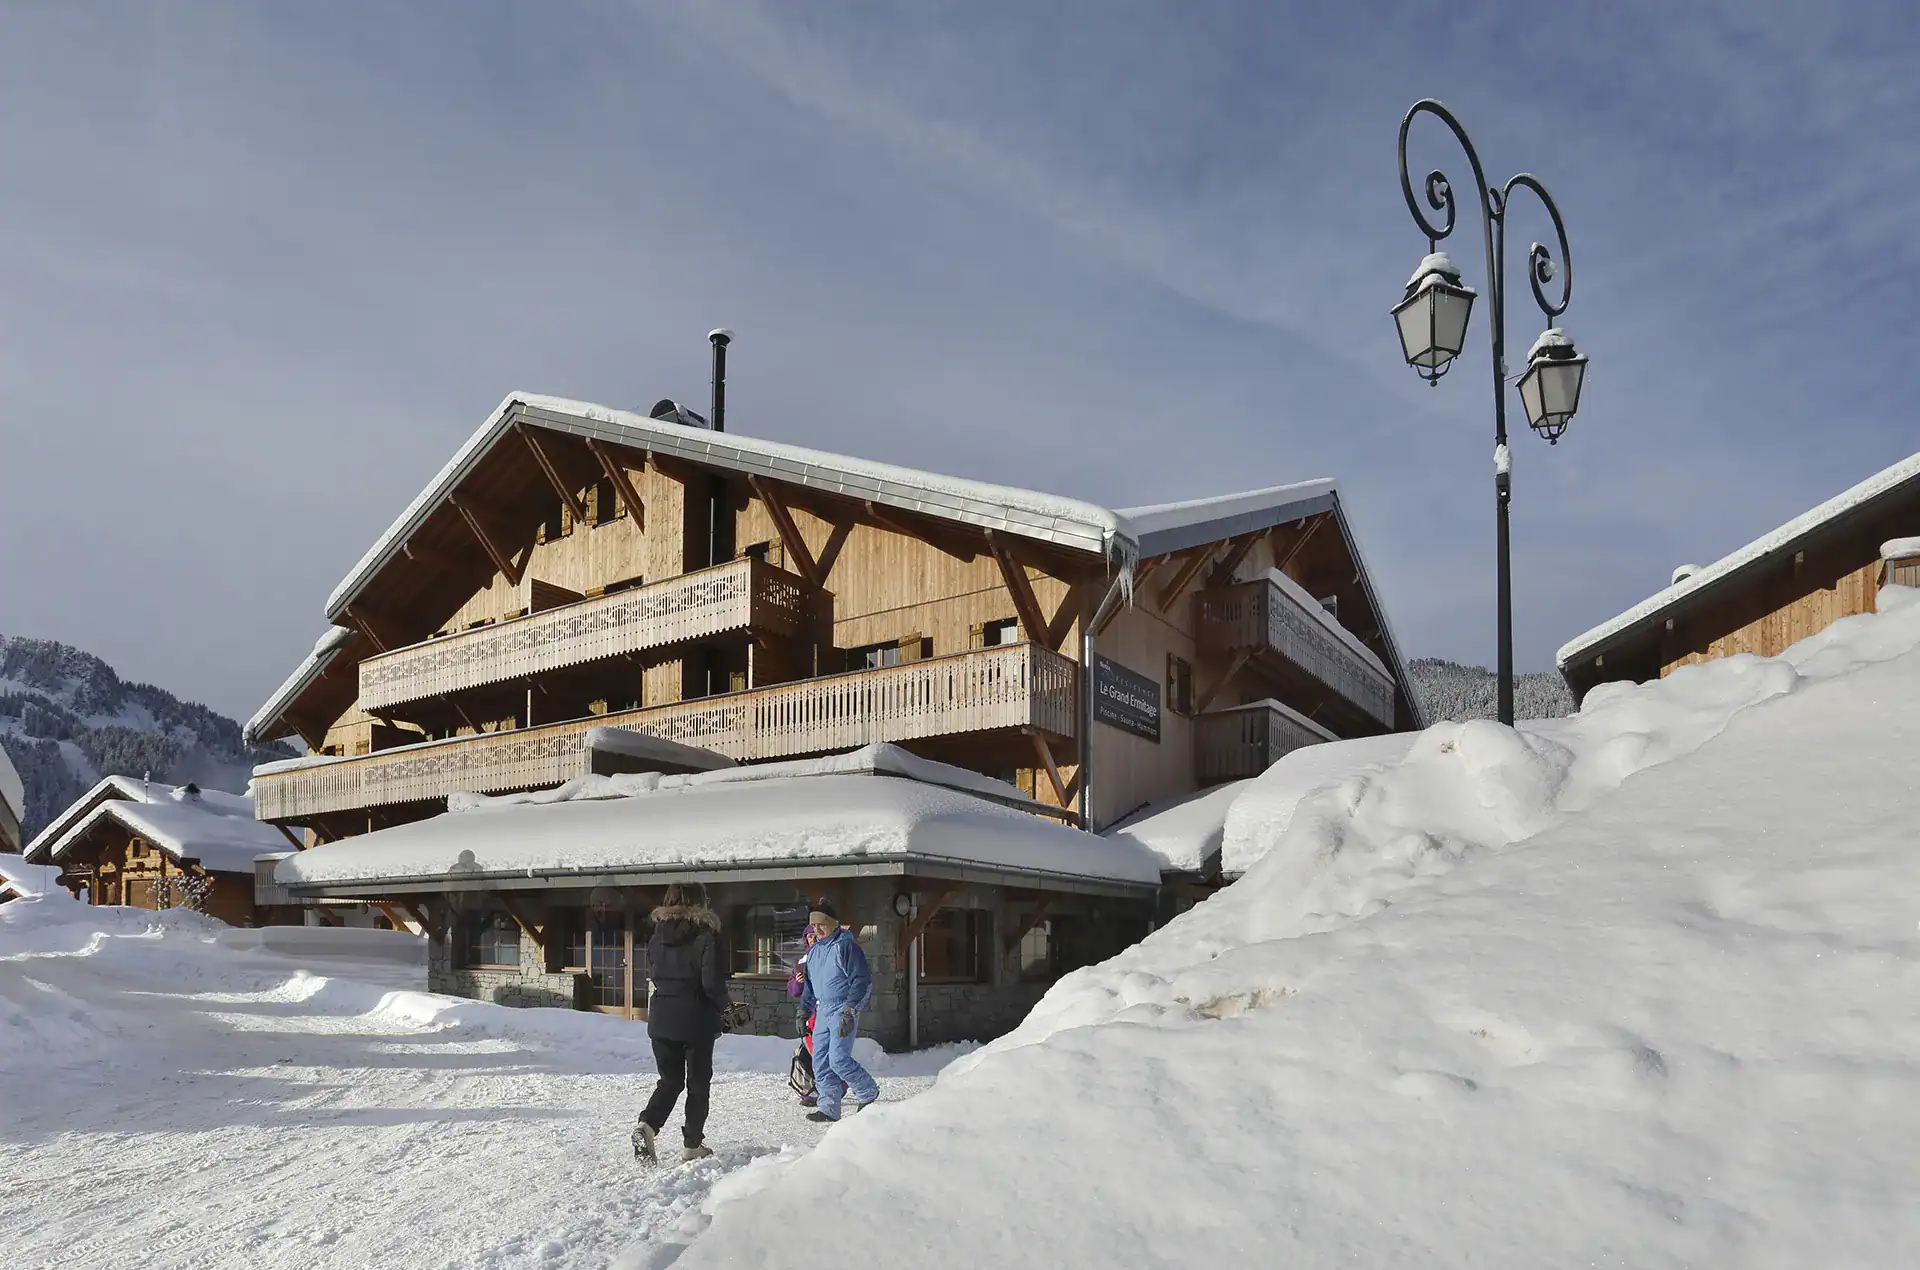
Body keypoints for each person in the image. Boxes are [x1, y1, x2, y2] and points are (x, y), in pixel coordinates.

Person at [632, 882, 729, 1164]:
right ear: (700, 902)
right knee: (698, 1084)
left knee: (670, 1081)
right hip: (696, 1020)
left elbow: (654, 973)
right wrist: (728, 1007)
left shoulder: (656, 936)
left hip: (661, 1019)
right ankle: (692, 1145)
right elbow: (711, 983)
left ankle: (646, 1126)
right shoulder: (706, 936)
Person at [800, 897, 879, 1123]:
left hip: (842, 1008)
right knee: (820, 1061)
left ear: (834, 923)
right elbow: (810, 986)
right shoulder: (814, 952)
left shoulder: (846, 946)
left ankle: (867, 1091)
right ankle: (829, 1107)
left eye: (821, 924)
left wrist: (850, 1010)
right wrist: (803, 1011)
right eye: (814, 925)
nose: (816, 929)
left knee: (838, 1059)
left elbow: (861, 980)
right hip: (822, 1010)